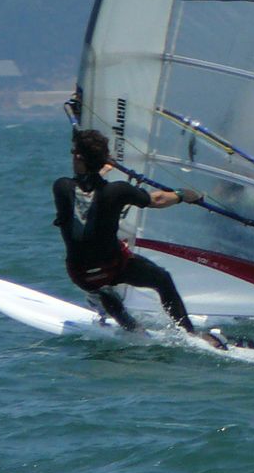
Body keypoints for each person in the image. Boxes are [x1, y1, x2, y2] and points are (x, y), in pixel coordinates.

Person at [52, 128, 224, 349]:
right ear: (102, 159)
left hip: (81, 274)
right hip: (114, 266)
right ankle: (190, 334)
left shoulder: (61, 187)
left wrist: (100, 167)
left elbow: (86, 192)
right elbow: (157, 199)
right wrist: (184, 195)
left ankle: (132, 329)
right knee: (162, 279)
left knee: (101, 288)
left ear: (78, 157)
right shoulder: (118, 191)